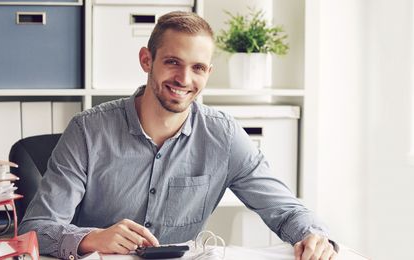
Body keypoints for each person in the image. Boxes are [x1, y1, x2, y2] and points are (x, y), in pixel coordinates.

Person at [18, 11, 338, 260]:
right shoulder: (87, 130)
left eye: (198, 67)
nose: (184, 79)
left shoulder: (223, 136)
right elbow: (36, 229)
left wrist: (313, 237)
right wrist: (90, 238)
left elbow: (286, 210)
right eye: (172, 62)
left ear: (208, 73)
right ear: (147, 60)